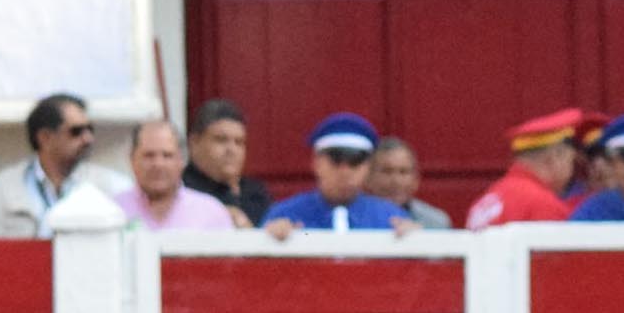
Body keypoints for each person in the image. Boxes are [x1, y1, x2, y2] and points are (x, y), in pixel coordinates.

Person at [0, 92, 130, 238]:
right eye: (76, 132)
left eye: (90, 129)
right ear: (45, 137)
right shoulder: (0, 191)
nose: (87, 138)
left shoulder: (113, 186)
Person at [263, 112, 413, 235]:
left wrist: (413, 242)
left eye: (355, 161)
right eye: (335, 160)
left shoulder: (391, 218)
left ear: (367, 167)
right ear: (316, 163)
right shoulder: (285, 215)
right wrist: (268, 242)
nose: (345, 172)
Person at [465, 108, 589, 228]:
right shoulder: (543, 206)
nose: (573, 170)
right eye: (571, 160)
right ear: (554, 157)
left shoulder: (491, 197)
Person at [113, 119, 235, 232]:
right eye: (149, 155)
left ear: (182, 160)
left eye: (167, 155)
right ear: (132, 159)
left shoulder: (211, 213)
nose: (158, 164)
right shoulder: (112, 211)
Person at [181, 98, 269, 229]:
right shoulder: (179, 189)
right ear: (194, 143)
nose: (231, 150)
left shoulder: (256, 194)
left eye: (239, 142)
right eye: (221, 140)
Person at [370, 137, 451, 230]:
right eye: (387, 171)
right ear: (368, 177)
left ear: (416, 179)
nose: (396, 181)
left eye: (403, 172)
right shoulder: (352, 218)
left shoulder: (436, 222)